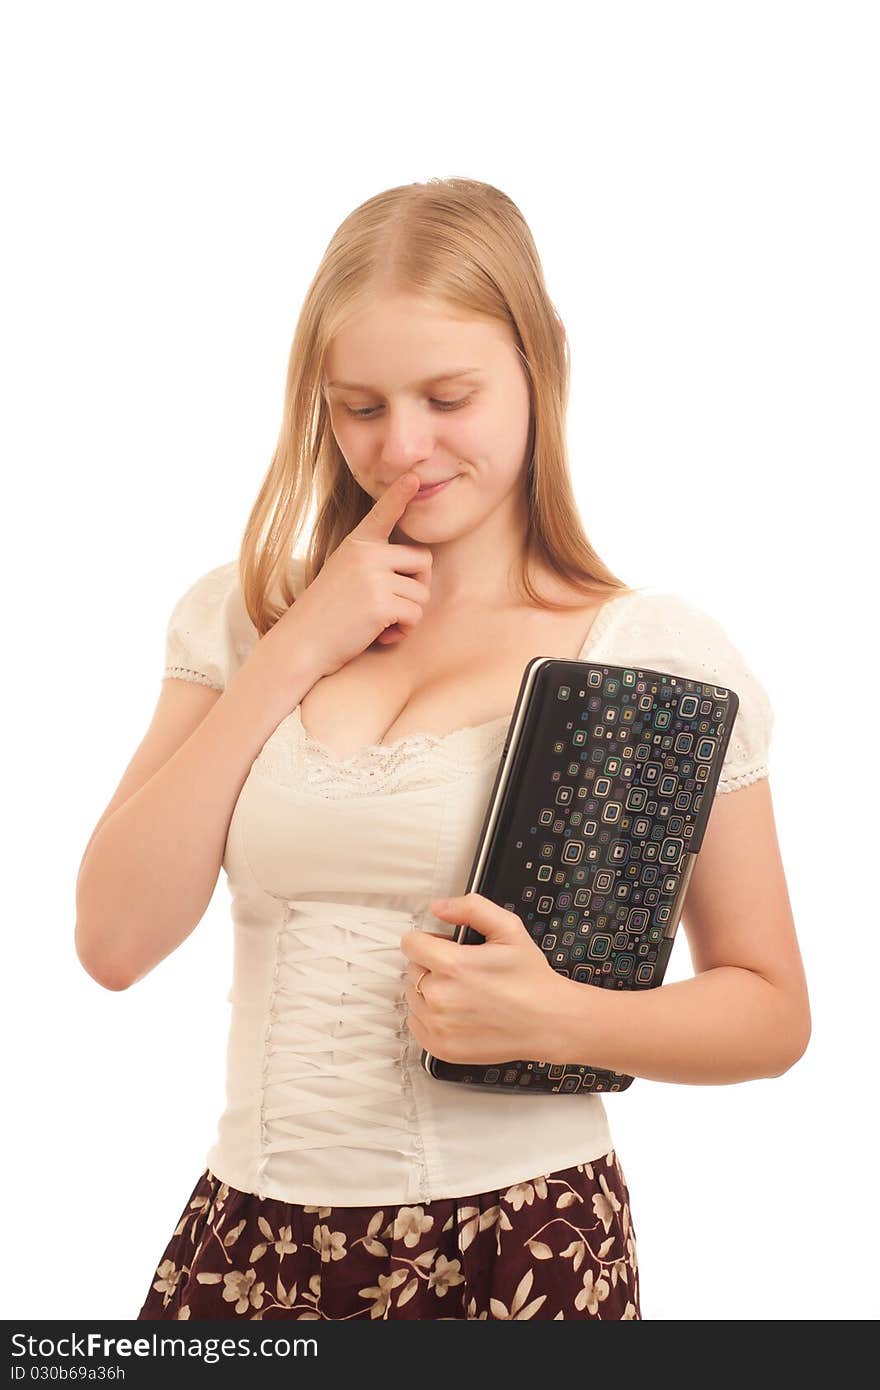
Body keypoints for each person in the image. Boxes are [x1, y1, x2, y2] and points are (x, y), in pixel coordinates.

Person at [75, 177, 810, 1321]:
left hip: (515, 1235)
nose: (403, 446)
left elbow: (768, 1006)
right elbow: (114, 941)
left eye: (448, 396)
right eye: (359, 406)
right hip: (245, 1231)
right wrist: (296, 647)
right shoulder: (244, 618)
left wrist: (562, 1016)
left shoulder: (642, 649)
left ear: (541, 364)